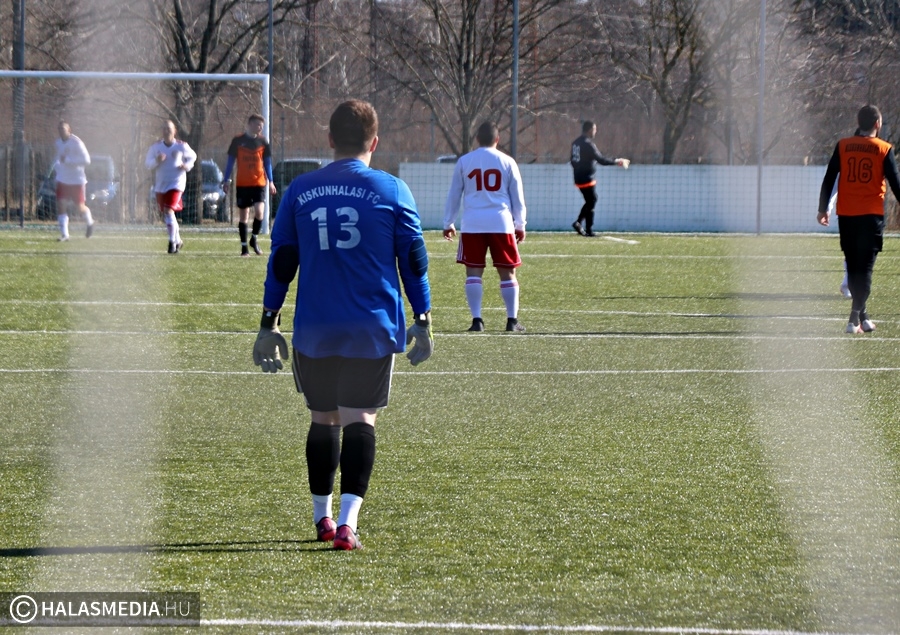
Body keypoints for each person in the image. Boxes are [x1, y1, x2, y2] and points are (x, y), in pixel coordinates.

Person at [252, 99, 433, 551]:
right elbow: (414, 261)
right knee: (360, 418)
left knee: (322, 418)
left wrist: (267, 323)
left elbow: (282, 263)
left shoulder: (299, 189)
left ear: (329, 139)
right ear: (375, 142)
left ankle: (322, 519)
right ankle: (348, 524)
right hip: (369, 328)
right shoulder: (393, 190)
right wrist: (423, 318)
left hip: (315, 326)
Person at [818, 105, 900, 333]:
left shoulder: (843, 146)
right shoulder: (884, 149)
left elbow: (829, 177)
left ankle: (863, 318)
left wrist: (823, 208)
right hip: (871, 215)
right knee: (865, 269)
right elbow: (895, 183)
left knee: (853, 266)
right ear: (878, 124)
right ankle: (854, 318)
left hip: (846, 214)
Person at [443, 121, 527, 333]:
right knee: (507, 273)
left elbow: (454, 194)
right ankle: (511, 321)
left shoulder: (465, 161)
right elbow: (517, 197)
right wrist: (520, 224)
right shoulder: (508, 162)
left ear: (477, 139)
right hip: (501, 223)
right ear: (497, 139)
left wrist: (448, 222)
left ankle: (477, 320)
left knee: (473, 272)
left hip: (473, 224)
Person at [221, 113, 277, 257]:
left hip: (259, 182)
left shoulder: (263, 142)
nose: (260, 128)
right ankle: (244, 247)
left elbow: (268, 163)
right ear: (250, 124)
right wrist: (226, 180)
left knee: (259, 211)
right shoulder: (238, 141)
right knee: (244, 215)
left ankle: (254, 238)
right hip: (243, 183)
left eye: (262, 126)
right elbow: (230, 162)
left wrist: (271, 182)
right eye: (258, 125)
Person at [570, 120, 629, 237]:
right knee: (592, 200)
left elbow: (572, 160)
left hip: (578, 177)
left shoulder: (575, 143)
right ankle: (588, 229)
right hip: (587, 178)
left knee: (590, 200)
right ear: (590, 130)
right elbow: (601, 160)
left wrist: (578, 169)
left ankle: (578, 223)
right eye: (595, 129)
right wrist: (617, 162)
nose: (596, 132)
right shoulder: (588, 144)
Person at [145, 120, 197, 254]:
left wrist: (187, 166)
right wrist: (156, 161)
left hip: (176, 184)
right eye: (164, 129)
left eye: (169, 129)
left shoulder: (181, 146)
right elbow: (148, 164)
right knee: (168, 214)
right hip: (161, 185)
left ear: (175, 131)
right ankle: (178, 240)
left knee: (168, 211)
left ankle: (172, 243)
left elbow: (193, 157)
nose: (166, 131)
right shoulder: (156, 147)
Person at [53, 121, 95, 241]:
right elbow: (58, 159)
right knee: (61, 205)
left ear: (69, 130)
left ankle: (90, 223)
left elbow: (87, 160)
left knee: (80, 207)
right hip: (62, 180)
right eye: (59, 129)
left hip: (77, 180)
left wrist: (69, 160)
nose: (61, 131)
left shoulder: (77, 143)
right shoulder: (57, 143)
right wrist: (57, 169)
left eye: (63, 129)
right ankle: (65, 235)